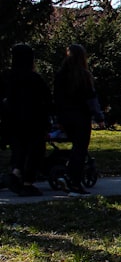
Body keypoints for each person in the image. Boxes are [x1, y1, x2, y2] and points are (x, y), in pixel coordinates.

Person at [1, 44, 52, 196]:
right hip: (33, 121)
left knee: (18, 149)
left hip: (12, 120)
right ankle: (27, 182)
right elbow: (47, 99)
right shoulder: (34, 79)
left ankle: (16, 172)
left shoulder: (6, 77)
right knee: (34, 151)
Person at [53, 43, 104, 195]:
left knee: (76, 148)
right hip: (80, 117)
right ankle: (73, 179)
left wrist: (58, 119)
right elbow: (91, 99)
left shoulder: (60, 75)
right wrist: (99, 117)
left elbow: (56, 99)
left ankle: (68, 174)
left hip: (65, 117)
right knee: (80, 149)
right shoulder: (83, 76)